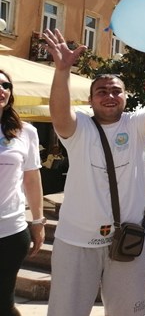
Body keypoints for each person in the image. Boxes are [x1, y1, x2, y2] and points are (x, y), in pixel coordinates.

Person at [43, 28, 145, 315]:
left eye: (116, 91)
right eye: (101, 91)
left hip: (128, 239)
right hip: (76, 241)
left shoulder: (135, 125)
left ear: (126, 97)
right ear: (91, 100)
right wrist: (62, 71)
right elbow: (59, 114)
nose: (110, 96)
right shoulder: (78, 128)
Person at [0, 70, 44, 316]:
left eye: (6, 85)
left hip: (10, 231)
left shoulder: (26, 131)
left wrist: (37, 222)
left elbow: (32, 178)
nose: (2, 89)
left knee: (3, 303)